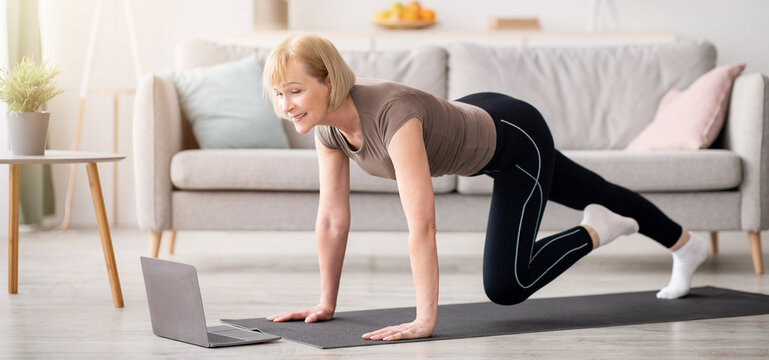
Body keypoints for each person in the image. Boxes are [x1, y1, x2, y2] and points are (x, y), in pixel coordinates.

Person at [263, 34, 710, 341]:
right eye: (279, 95)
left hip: (516, 141)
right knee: (596, 187)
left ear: (329, 80)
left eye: (296, 91)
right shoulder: (328, 129)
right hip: (478, 120)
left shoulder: (391, 116)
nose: (286, 107)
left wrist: (425, 319)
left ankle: (596, 230)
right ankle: (686, 246)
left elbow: (422, 225)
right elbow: (332, 220)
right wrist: (325, 302)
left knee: (507, 285)